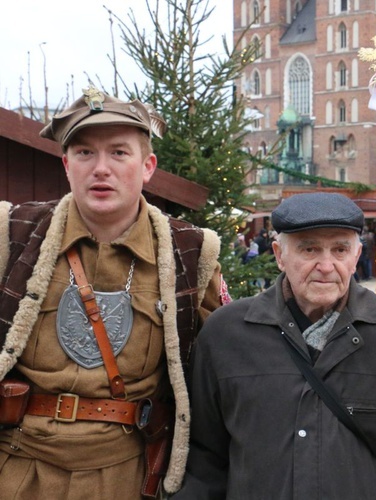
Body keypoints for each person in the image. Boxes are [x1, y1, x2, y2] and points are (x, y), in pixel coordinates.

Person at [0, 87, 225, 497]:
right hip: (15, 472)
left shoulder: (191, 253)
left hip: (125, 476)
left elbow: (219, 373)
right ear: (66, 165)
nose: (100, 168)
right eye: (85, 153)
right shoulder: (12, 234)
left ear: (147, 166)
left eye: (119, 153)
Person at [176, 192, 376, 499]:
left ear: (357, 255)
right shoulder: (227, 334)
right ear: (280, 255)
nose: (326, 265)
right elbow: (204, 463)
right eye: (310, 249)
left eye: (340, 249)